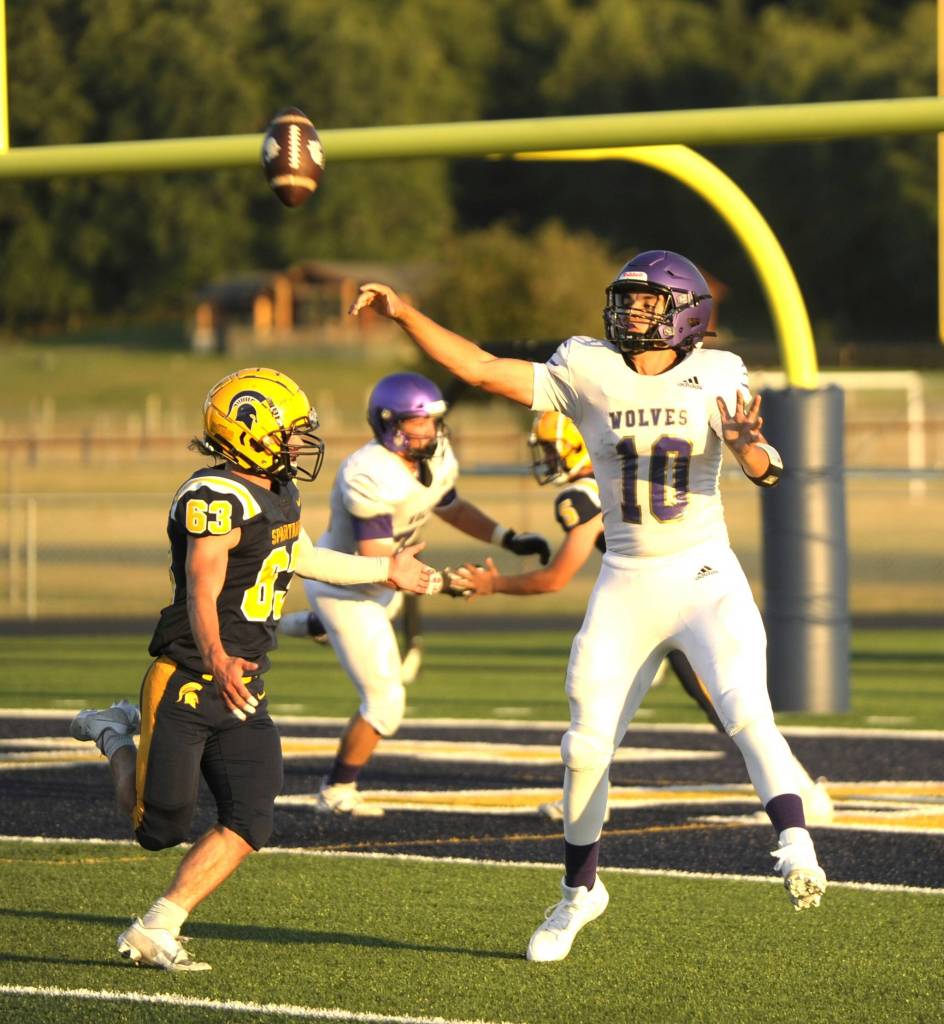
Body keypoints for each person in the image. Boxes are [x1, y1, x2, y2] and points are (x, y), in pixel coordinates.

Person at [348, 250, 829, 963]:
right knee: (583, 748)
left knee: (745, 709)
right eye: (627, 300)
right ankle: (579, 892)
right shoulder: (587, 366)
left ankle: (795, 842)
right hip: (627, 578)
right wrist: (404, 312)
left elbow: (768, 469)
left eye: (647, 303)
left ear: (686, 311)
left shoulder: (719, 373)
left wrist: (746, 447)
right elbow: (480, 368)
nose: (631, 313)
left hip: (703, 574)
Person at [69, 367, 441, 972]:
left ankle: (157, 927)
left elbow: (304, 557)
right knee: (157, 829)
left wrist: (385, 570)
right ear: (244, 434)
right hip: (190, 676)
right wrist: (216, 657)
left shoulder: (277, 491)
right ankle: (113, 732)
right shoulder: (215, 498)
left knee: (250, 820)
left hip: (243, 682)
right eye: (285, 433)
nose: (297, 444)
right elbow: (202, 587)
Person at [450, 410, 834, 826]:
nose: (546, 458)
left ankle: (805, 795)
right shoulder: (622, 471)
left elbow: (556, 577)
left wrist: (494, 584)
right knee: (613, 709)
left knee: (730, 711)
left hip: (671, 604)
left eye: (551, 448)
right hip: (668, 600)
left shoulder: (582, 495)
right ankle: (589, 798)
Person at [278, 371, 551, 817]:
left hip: (385, 585)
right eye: (416, 422)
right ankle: (336, 789)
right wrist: (446, 583)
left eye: (431, 421)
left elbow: (450, 507)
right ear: (387, 422)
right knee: (386, 702)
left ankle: (316, 626)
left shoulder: (435, 456)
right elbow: (379, 561)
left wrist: (507, 537)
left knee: (383, 618)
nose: (427, 431)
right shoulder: (369, 472)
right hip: (345, 586)